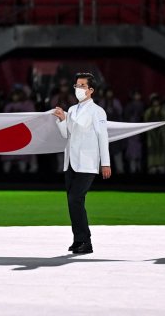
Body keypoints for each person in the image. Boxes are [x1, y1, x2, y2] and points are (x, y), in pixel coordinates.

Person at [53, 72, 111, 254]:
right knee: (73, 202)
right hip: (71, 161)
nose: (78, 89)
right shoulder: (71, 110)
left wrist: (106, 163)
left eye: (82, 86)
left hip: (88, 162)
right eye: (77, 85)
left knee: (75, 199)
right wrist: (62, 120)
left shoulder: (97, 111)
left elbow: (103, 137)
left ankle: (86, 241)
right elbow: (66, 134)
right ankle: (79, 240)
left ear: (91, 90)